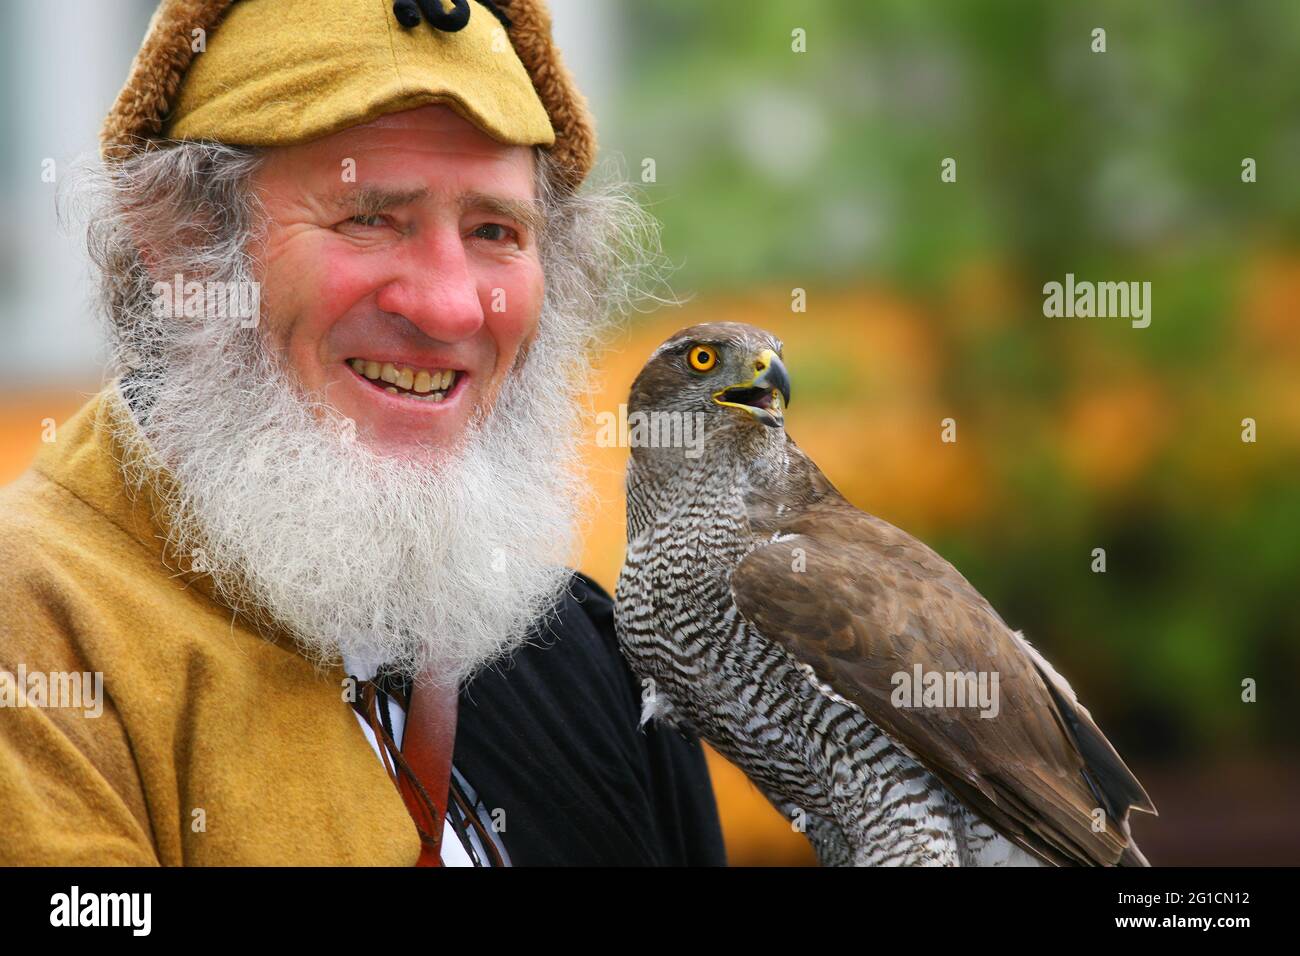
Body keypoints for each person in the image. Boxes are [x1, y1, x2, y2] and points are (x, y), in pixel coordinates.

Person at [0, 0, 725, 866]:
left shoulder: (581, 655)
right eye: (369, 219)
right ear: (186, 243)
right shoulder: (38, 639)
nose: (451, 305)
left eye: (496, 231)